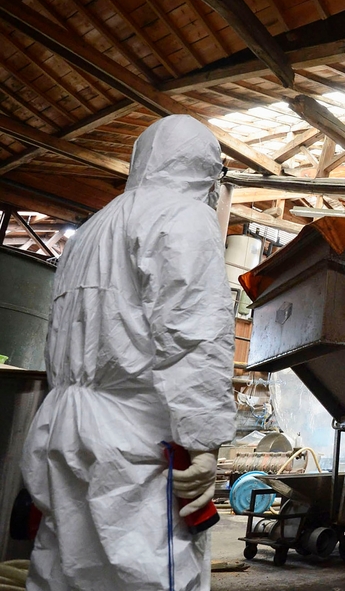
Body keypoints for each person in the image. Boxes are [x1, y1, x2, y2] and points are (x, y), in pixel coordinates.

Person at [21, 115, 236, 590]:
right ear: (205, 167)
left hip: (65, 424)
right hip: (134, 434)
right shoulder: (182, 216)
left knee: (68, 567)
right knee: (148, 568)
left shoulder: (96, 226)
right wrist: (202, 440)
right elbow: (194, 334)